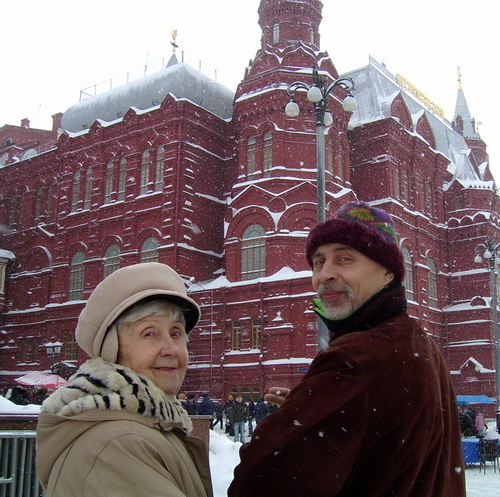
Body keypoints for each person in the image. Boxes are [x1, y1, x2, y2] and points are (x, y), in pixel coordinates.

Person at [228, 201, 466, 496]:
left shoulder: (356, 358)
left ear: (388, 272)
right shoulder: (420, 344)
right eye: (318, 262)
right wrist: (314, 408)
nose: (325, 274)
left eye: (345, 259)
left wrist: (286, 426)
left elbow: (259, 480)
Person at [36, 262, 213, 497]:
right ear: (112, 348)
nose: (171, 349)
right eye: (149, 333)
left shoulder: (148, 427)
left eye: (176, 333)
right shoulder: (119, 444)